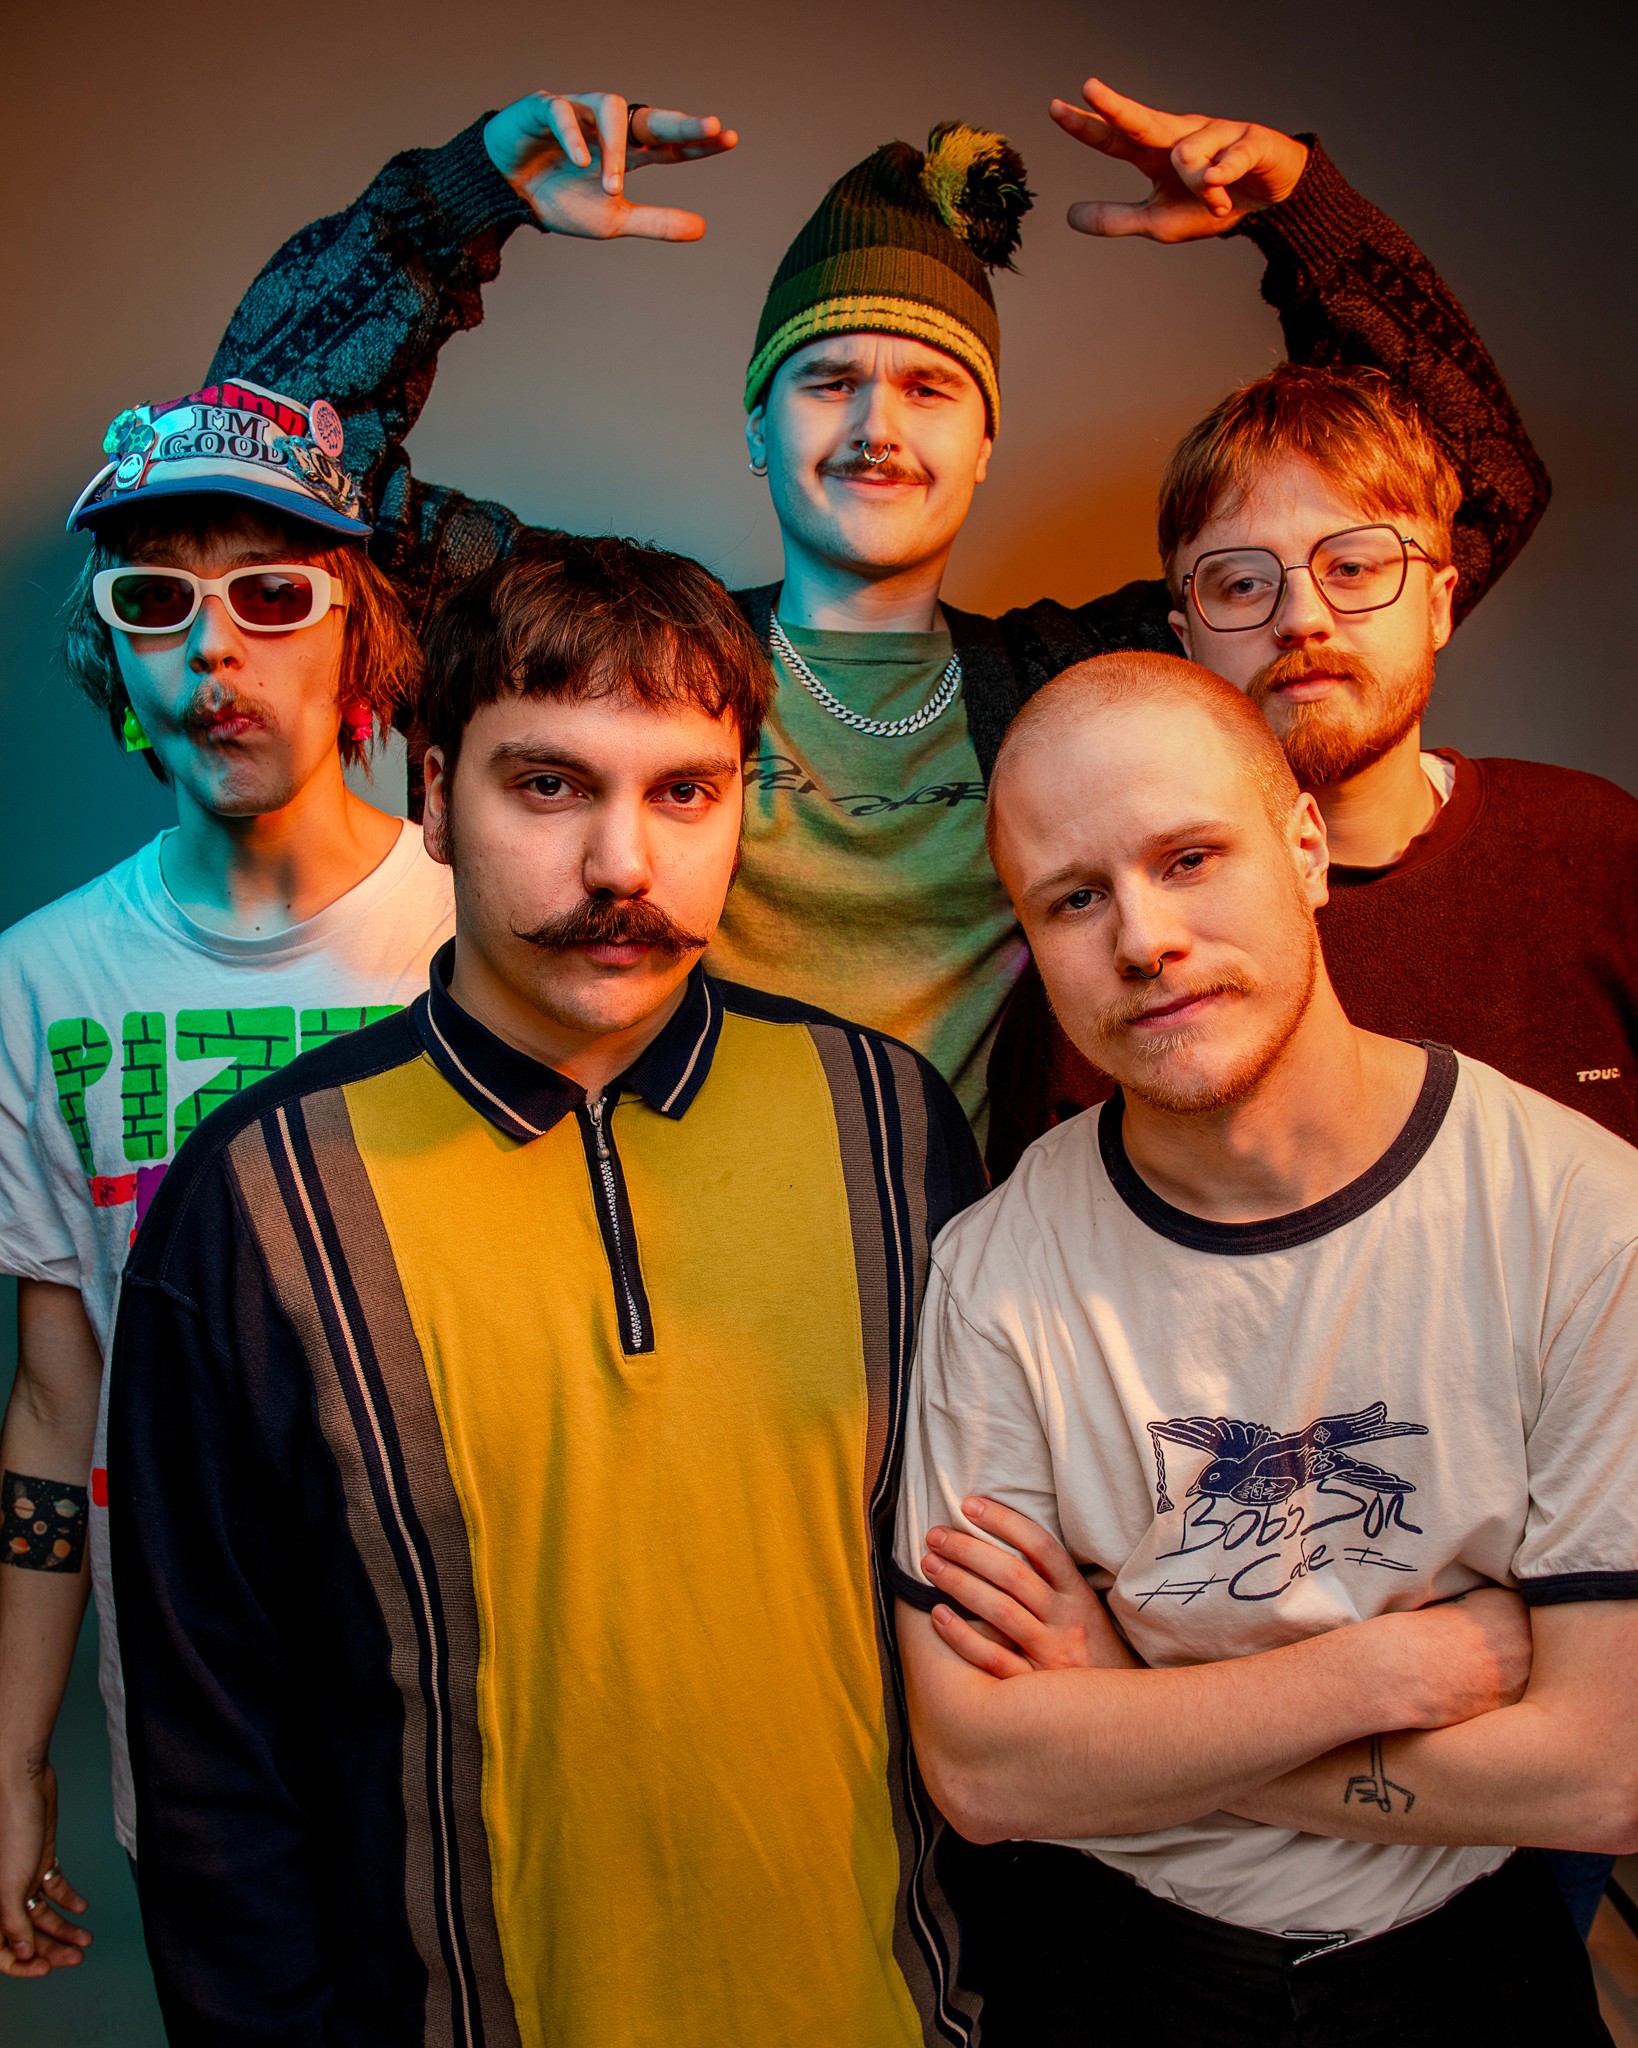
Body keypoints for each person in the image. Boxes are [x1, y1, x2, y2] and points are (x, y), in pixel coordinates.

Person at [205, 74, 1549, 1131]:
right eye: (827, 380)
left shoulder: (1087, 688)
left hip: (1009, 1315)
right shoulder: (619, 661)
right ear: (757, 425)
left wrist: (1303, 215)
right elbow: (262, 465)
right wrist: (456, 206)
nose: (875, 426)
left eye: (927, 387)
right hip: (687, 1303)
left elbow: (1455, 492)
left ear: (984, 439)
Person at [108, 534, 988, 2047]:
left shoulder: (891, 1127)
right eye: (549, 785)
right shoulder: (254, 1200)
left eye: (684, 792)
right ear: (432, 793)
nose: (621, 866)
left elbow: (991, 1623)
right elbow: (212, 1769)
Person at [893, 651, 1637, 2046]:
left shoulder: (1583, 1219)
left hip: (1466, 1957)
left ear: (1303, 848)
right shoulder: (994, 1271)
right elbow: (987, 1774)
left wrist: (1127, 1711)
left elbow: (1605, 1773)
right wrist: (1384, 1676)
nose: (1142, 939)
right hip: (1114, 1961)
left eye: (1189, 858)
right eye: (1073, 898)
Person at [0, 383, 455, 1977]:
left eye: (271, 597)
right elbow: (56, 1402)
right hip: (203, 1740)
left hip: (473, 1724)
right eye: (157, 603)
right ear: (116, 657)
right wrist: (13, 1757)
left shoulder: (479, 937)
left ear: (356, 641)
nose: (214, 651)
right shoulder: (38, 984)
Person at [986, 365, 1638, 1177]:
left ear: (1439, 604)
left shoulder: (1597, 849)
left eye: (1353, 568)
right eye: (1243, 583)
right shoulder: (1112, 964)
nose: (1301, 619)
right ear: (1187, 638)